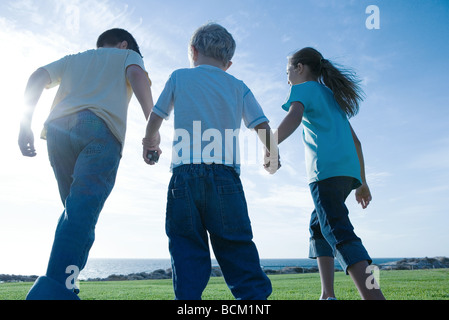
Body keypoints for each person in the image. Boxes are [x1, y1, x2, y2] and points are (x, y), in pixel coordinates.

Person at [142, 23, 278, 300]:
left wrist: (149, 141)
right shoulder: (238, 86)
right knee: (236, 246)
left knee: (186, 248)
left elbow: (156, 116)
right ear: (228, 63)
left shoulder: (179, 77)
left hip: (183, 177)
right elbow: (261, 124)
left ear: (193, 51)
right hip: (225, 177)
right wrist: (272, 153)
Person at [18, 28, 153, 300]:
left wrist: (25, 125)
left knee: (76, 214)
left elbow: (37, 76)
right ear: (124, 44)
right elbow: (137, 76)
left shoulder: (74, 59)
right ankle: (53, 292)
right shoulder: (128, 55)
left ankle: (67, 284)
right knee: (81, 213)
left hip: (58, 131)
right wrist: (153, 129)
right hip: (100, 130)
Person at [274, 47, 385, 300]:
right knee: (318, 226)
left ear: (300, 68)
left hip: (324, 173)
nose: (287, 76)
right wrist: (362, 184)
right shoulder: (331, 97)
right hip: (347, 174)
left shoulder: (303, 89)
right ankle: (327, 295)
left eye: (288, 70)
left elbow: (294, 116)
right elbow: (357, 142)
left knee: (338, 231)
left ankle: (374, 296)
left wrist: (270, 143)